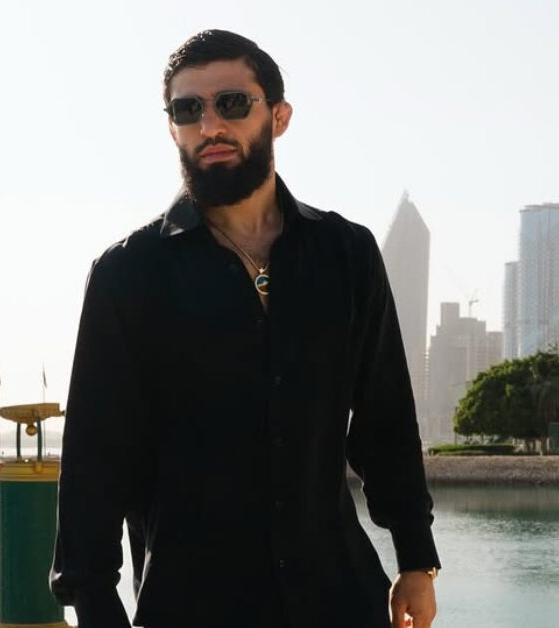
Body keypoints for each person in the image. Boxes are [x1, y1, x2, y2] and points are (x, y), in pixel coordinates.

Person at [50, 29, 441, 628]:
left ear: (279, 117)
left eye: (232, 103)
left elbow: (385, 419)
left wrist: (416, 558)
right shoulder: (126, 275)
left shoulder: (347, 254)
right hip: (190, 607)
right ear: (172, 128)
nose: (210, 125)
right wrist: (96, 603)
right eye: (188, 110)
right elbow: (95, 459)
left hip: (340, 601)